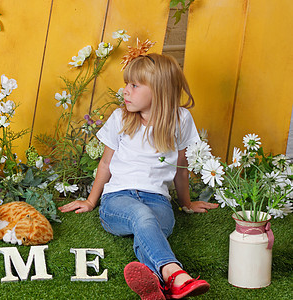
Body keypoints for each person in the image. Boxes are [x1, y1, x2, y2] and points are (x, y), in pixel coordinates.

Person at [59, 52, 218, 299]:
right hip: (117, 201)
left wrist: (186, 203)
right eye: (126, 84)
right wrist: (91, 201)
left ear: (160, 89)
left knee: (149, 225)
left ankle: (155, 285)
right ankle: (176, 274)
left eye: (134, 85)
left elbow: (181, 168)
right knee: (142, 216)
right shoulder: (121, 117)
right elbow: (106, 163)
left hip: (159, 201)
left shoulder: (180, 119)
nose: (126, 91)